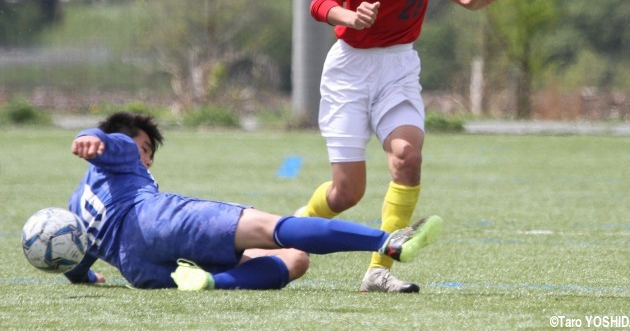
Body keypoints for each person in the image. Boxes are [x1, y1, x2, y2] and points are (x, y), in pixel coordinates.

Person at [296, 0, 511, 293]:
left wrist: (464, 0)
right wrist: (350, 17)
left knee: (408, 158)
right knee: (346, 193)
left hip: (398, 66)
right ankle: (285, 231)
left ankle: (379, 271)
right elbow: (322, 0)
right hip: (351, 70)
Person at [64, 111, 442, 291]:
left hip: (141, 271)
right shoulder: (119, 152)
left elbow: (73, 255)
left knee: (294, 259)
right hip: (154, 221)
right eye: (145, 148)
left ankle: (213, 282)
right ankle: (385, 241)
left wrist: (84, 275)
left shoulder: (76, 204)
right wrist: (91, 138)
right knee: (272, 228)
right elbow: (108, 142)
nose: (146, 157)